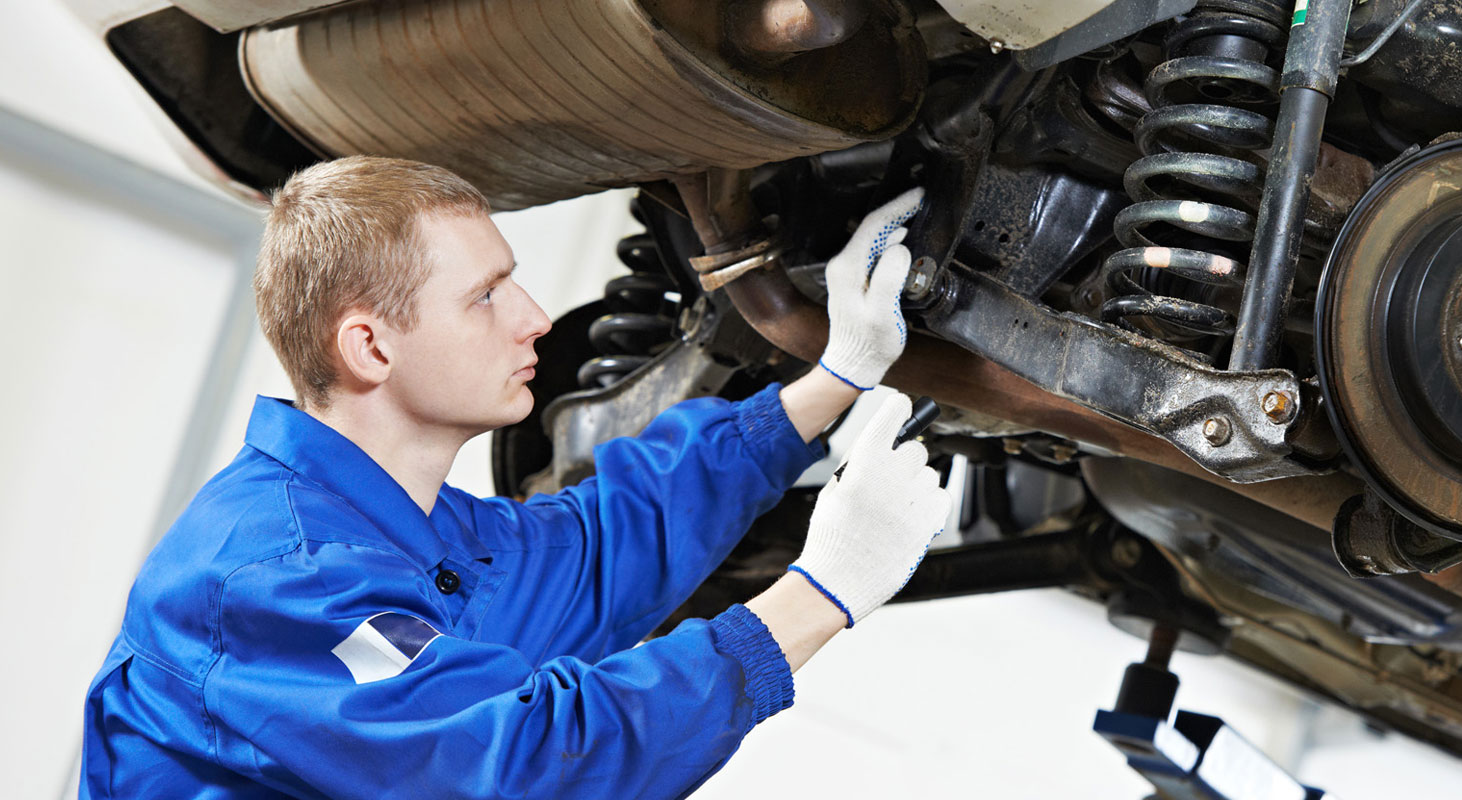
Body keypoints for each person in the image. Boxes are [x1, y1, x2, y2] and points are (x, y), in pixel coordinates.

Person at [79, 156, 951, 798]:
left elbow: (604, 547)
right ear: (370, 348)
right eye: (486, 295)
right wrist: (821, 591)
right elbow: (524, 765)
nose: (535, 319)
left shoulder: (410, 536)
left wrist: (838, 372)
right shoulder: (269, 580)